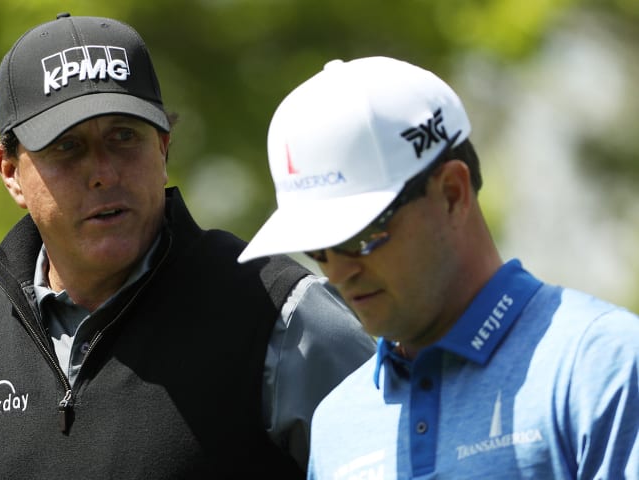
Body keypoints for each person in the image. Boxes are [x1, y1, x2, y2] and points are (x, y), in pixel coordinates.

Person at [0, 13, 376, 479]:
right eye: (67, 147)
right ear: (10, 171)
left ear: (163, 147)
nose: (104, 172)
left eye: (124, 137)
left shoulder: (283, 317)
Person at [238, 56, 639, 479]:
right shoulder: (335, 424)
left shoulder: (602, 366)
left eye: (360, 237)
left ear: (451, 192)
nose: (337, 273)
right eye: (319, 249)